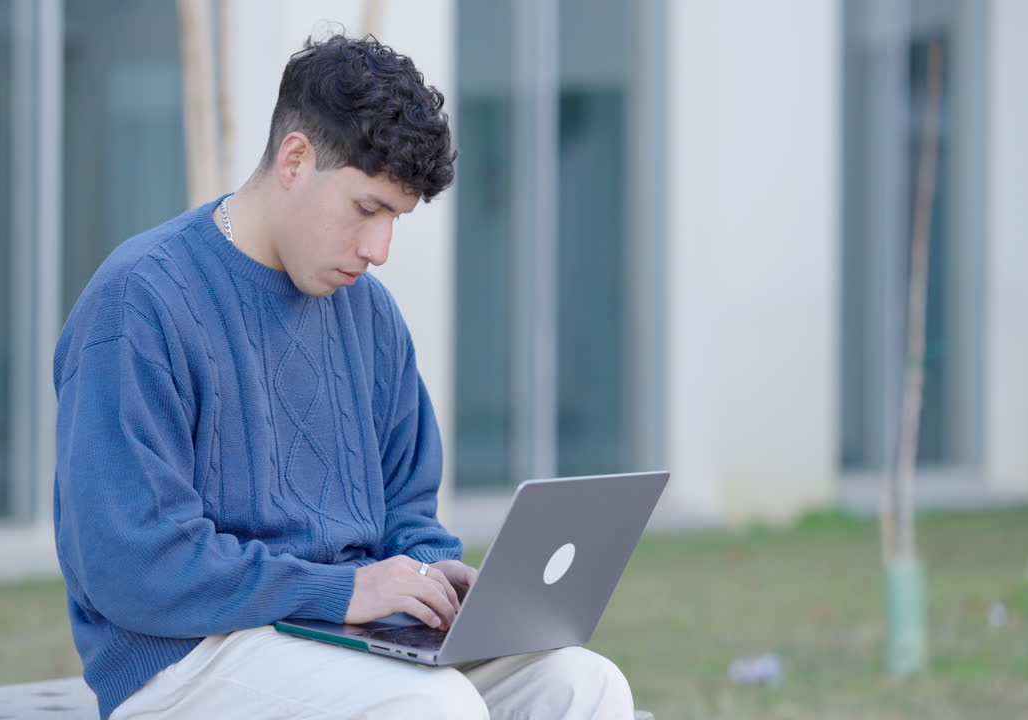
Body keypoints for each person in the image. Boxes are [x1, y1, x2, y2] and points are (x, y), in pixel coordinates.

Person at [53, 33, 634, 719]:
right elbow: (131, 564)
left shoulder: (370, 315)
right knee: (433, 707)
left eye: (396, 218)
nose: (379, 249)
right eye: (367, 209)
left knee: (582, 682)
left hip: (341, 636)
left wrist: (429, 575)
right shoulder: (141, 300)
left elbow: (407, 511)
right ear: (296, 159)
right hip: (187, 657)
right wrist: (344, 591)